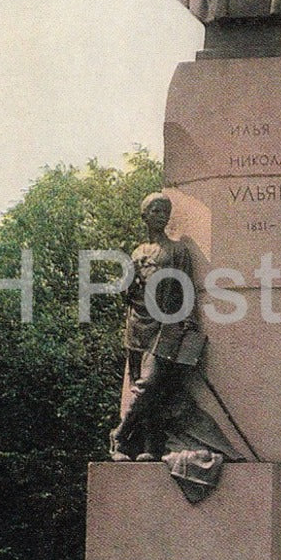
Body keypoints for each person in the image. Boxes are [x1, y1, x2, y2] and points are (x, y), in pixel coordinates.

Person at [109, 194, 245, 495]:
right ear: (144, 216)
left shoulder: (177, 250)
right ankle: (146, 444)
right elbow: (127, 294)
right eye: (155, 211)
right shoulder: (137, 252)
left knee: (151, 383)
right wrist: (128, 284)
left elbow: (186, 289)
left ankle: (119, 435)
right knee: (144, 386)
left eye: (165, 211)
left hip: (167, 325)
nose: (161, 215)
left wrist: (189, 322)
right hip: (138, 324)